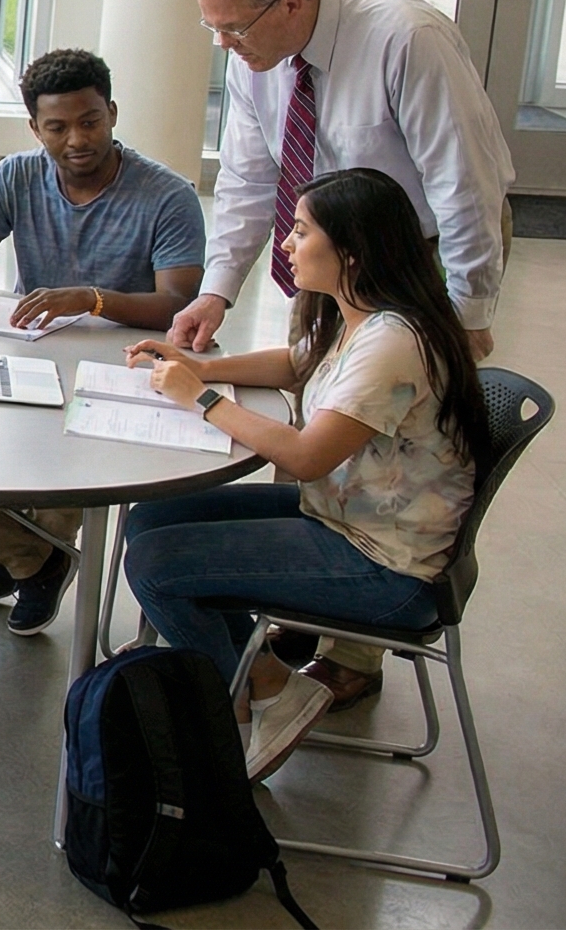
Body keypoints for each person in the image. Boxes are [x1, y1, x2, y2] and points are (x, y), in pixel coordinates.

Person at [172, 0, 514, 708]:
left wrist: (466, 314)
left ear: (291, 1)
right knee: (335, 393)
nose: (224, 44)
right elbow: (252, 181)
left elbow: (465, 184)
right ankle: (311, 595)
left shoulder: (406, 37)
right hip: (328, 239)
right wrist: (216, 292)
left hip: (417, 243)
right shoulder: (255, 57)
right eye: (212, 29)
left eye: (234, 27)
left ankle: (353, 656)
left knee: (392, 422)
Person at [120, 168, 490, 781]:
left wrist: (201, 399)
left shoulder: (395, 341)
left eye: (299, 231)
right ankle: (231, 673)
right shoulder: (369, 317)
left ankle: (265, 692)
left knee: (158, 565)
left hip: (384, 566)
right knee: (155, 519)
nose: (286, 244)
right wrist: (197, 365)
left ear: (352, 252)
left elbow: (304, 457)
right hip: (344, 518)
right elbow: (298, 364)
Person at [0, 48, 205, 633]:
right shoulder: (18, 174)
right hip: (32, 355)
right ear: (35, 128)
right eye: (57, 127)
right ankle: (32, 559)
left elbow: (178, 304)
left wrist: (90, 298)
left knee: (65, 473)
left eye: (90, 121)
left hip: (125, 370)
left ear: (112, 114)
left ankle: (25, 556)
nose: (76, 138)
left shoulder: (167, 195)